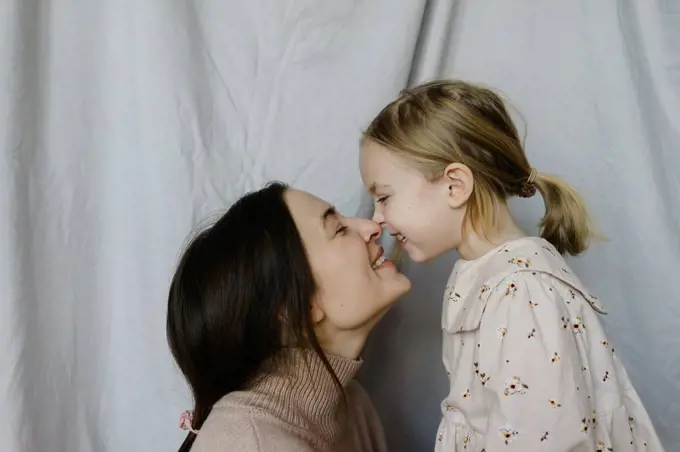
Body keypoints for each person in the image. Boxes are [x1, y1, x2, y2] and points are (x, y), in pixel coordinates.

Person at [359, 79, 664, 451]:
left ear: (455, 186)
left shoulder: (521, 292)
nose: (377, 220)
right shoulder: (485, 275)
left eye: (384, 197)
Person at [166, 182, 410, 451]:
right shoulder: (248, 442)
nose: (372, 228)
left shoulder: (353, 408)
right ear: (296, 310)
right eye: (339, 229)